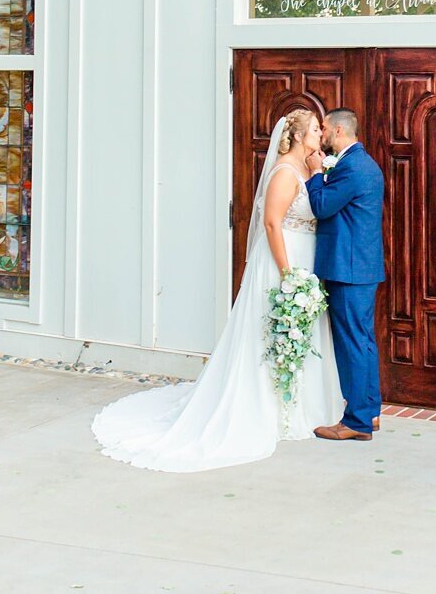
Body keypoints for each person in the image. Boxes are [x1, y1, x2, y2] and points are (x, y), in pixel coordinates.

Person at [91, 109, 343, 471]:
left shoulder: (308, 170)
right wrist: (288, 273)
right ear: (301, 136)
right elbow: (272, 223)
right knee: (270, 331)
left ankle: (302, 406)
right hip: (282, 260)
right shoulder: (286, 173)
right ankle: (268, 407)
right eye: (316, 129)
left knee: (300, 333)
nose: (321, 135)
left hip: (304, 257)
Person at [305, 108, 386, 441]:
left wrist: (314, 173)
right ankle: (371, 410)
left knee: (353, 343)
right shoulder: (359, 163)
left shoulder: (352, 166)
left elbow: (322, 206)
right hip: (358, 267)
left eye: (323, 128)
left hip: (349, 269)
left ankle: (356, 422)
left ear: (338, 131)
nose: (321, 133)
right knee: (362, 341)